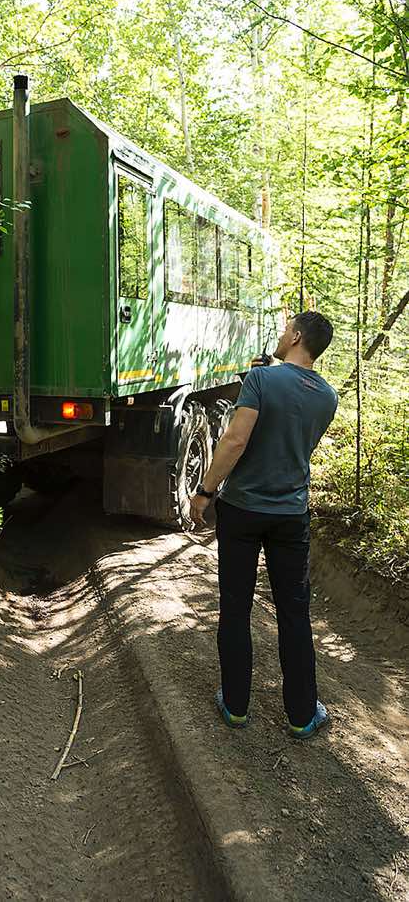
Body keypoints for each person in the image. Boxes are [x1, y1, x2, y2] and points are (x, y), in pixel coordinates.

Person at [189, 312, 338, 740]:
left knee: (236, 606)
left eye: (283, 327)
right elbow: (292, 441)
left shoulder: (261, 380)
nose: (278, 333)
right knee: (295, 612)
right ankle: (301, 715)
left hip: (242, 510)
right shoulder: (328, 396)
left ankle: (236, 707)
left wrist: (205, 491)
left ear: (295, 336)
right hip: (291, 514)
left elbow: (236, 440)